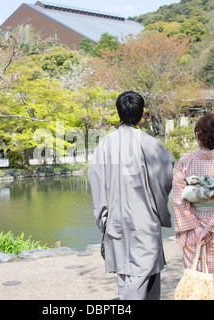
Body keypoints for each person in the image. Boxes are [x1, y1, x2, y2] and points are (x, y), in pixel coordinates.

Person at [88, 91, 175, 300]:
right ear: (143, 113)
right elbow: (166, 178)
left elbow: (96, 182)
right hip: (144, 220)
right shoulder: (150, 144)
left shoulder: (105, 145)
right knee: (143, 276)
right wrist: (159, 211)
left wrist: (103, 218)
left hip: (116, 221)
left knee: (127, 276)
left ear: (119, 112)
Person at [172, 113, 214, 300]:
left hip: (193, 232)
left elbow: (179, 200)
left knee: (195, 282)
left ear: (197, 134)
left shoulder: (184, 163)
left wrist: (197, 227)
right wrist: (209, 228)